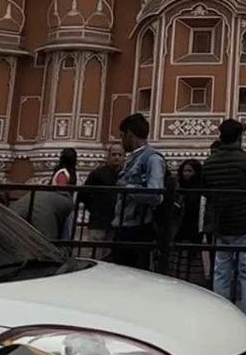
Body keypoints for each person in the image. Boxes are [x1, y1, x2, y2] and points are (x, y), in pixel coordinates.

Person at [202, 119, 246, 328]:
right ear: (240, 138)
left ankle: (223, 322)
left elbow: (204, 189)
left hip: (221, 224)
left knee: (221, 273)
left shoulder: (210, 163)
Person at [111, 113, 167, 270]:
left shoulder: (152, 158)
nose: (122, 141)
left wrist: (127, 188)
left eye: (122, 136)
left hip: (139, 226)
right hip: (125, 224)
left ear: (130, 134)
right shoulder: (133, 158)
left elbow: (156, 194)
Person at [78, 142, 124, 256]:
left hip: (116, 223)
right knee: (95, 254)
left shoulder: (125, 175)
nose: (117, 157)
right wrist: (94, 208)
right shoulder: (97, 174)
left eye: (119, 155)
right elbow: (83, 194)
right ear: (108, 156)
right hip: (98, 221)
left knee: (110, 255)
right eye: (114, 154)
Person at [171, 158, 209, 284]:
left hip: (193, 230)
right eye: (184, 171)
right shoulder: (179, 188)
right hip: (180, 230)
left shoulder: (199, 189)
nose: (186, 174)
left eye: (190, 171)